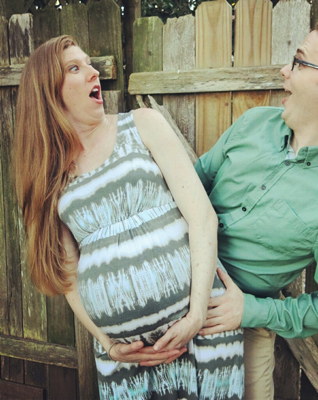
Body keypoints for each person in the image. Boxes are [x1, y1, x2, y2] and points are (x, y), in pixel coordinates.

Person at [13, 35, 244, 400]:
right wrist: (108, 343)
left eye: (90, 63)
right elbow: (68, 274)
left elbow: (202, 218)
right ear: (47, 93)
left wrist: (197, 314)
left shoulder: (142, 125)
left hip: (199, 335)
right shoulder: (50, 176)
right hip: (125, 362)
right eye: (75, 67)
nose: (94, 73)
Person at [194, 17, 318, 400]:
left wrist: (250, 311)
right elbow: (194, 181)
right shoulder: (252, 123)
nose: (285, 71)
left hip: (242, 328)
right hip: (170, 286)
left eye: (299, 62)